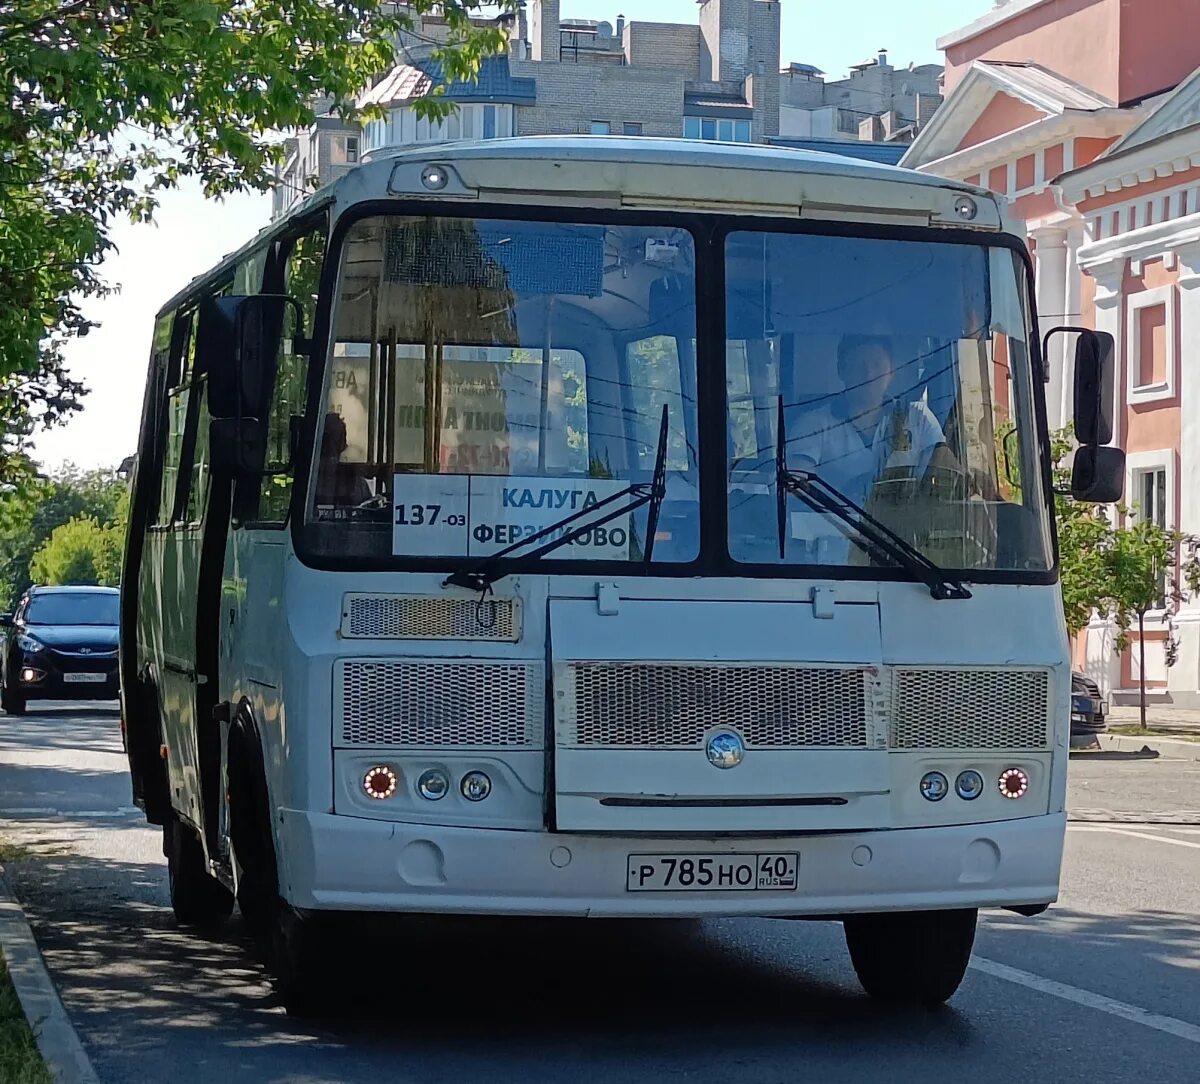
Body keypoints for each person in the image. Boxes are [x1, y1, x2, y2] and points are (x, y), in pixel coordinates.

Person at [788, 334, 959, 502]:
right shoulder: (812, 424)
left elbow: (950, 473)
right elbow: (796, 487)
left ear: (891, 371)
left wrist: (973, 481)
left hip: (903, 528)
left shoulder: (918, 419)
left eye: (877, 365)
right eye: (858, 365)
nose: (868, 374)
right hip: (831, 526)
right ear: (841, 370)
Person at [315, 412, 372, 507]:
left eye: (336, 438)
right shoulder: (357, 481)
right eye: (331, 439)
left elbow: (365, 511)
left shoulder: (357, 481)